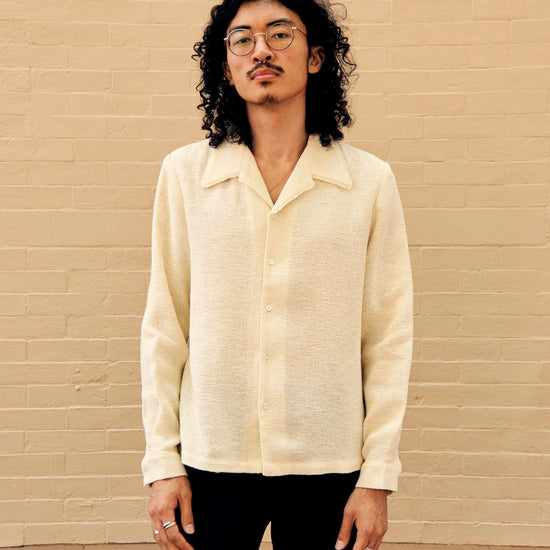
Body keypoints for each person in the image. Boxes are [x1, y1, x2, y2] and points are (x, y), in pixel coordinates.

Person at [140, 1, 413, 549]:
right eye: (242, 39)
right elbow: (165, 327)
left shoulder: (368, 182)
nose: (260, 50)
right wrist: (162, 461)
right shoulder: (186, 175)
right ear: (226, 68)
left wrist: (377, 476)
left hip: (329, 461)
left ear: (315, 57)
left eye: (280, 34)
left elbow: (387, 337)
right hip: (211, 458)